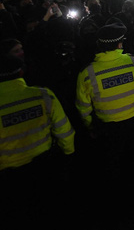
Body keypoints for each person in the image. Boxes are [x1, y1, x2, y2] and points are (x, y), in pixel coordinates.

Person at [0, 55, 76, 225]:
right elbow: (64, 131)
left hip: (9, 180)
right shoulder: (42, 95)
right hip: (45, 168)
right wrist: (68, 155)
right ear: (21, 71)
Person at [75, 21, 134, 181]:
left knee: (115, 165)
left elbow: (84, 108)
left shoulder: (87, 73)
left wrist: (90, 127)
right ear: (119, 44)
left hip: (108, 129)